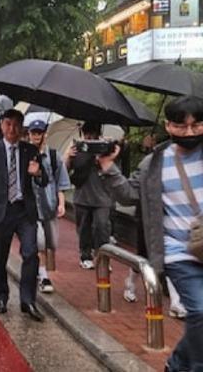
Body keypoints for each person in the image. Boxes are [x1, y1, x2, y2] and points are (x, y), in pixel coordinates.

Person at [99, 96, 203, 372]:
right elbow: (130, 194)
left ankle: (177, 363)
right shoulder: (154, 163)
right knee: (201, 312)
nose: (190, 132)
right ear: (169, 125)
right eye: (182, 126)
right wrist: (109, 167)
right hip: (178, 252)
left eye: (197, 125)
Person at [0, 108, 46, 321]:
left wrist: (39, 173)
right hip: (0, 211)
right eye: (8, 124)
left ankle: (28, 300)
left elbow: (44, 181)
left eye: (16, 124)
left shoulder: (30, 150)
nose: (12, 129)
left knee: (30, 253)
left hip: (24, 211)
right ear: (2, 125)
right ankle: (1, 296)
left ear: (22, 126)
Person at [27, 120, 71, 294]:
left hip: (49, 205)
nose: (36, 136)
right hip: (31, 208)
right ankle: (43, 275)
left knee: (51, 243)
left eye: (39, 132)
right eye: (33, 132)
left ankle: (39, 269)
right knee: (40, 241)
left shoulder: (53, 156)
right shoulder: (24, 155)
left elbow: (61, 182)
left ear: (45, 134)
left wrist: (61, 203)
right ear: (29, 134)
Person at [67, 121, 116, 269]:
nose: (89, 137)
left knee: (102, 227)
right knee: (84, 229)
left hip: (102, 197)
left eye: (92, 134)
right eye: (87, 134)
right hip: (82, 196)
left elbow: (115, 167)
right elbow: (65, 171)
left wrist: (108, 150)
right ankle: (85, 255)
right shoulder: (78, 148)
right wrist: (69, 156)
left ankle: (103, 257)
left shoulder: (105, 148)